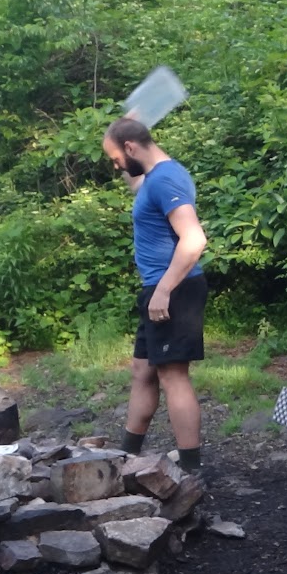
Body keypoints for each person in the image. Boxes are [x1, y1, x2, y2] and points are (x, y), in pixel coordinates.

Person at [101, 117, 209, 474]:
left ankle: (192, 470)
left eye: (116, 158)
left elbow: (194, 240)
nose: (116, 166)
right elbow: (135, 181)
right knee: (142, 370)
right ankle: (127, 457)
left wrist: (164, 290)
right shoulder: (152, 179)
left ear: (131, 148)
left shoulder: (166, 179)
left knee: (172, 375)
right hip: (157, 290)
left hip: (174, 290)